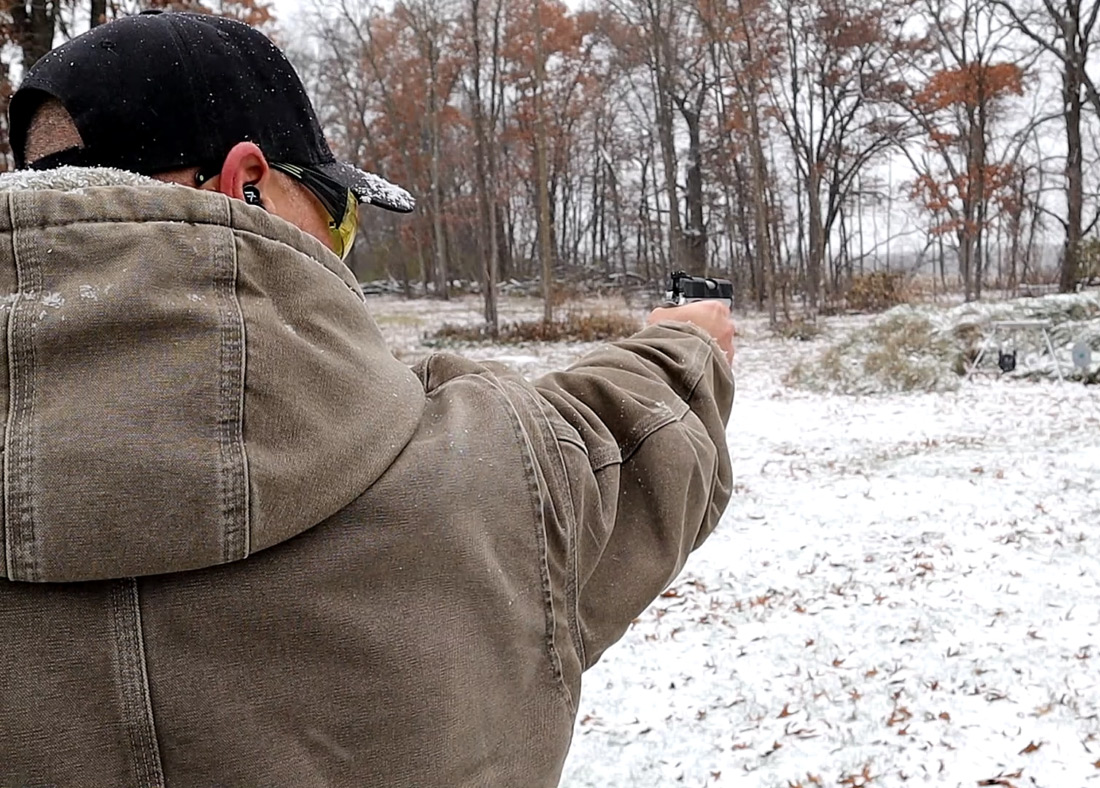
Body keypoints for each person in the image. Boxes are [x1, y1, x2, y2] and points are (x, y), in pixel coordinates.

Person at [0, 10, 733, 788]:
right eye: (339, 217)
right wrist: (690, 340)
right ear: (246, 188)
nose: (344, 255)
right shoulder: (493, 484)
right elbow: (631, 433)